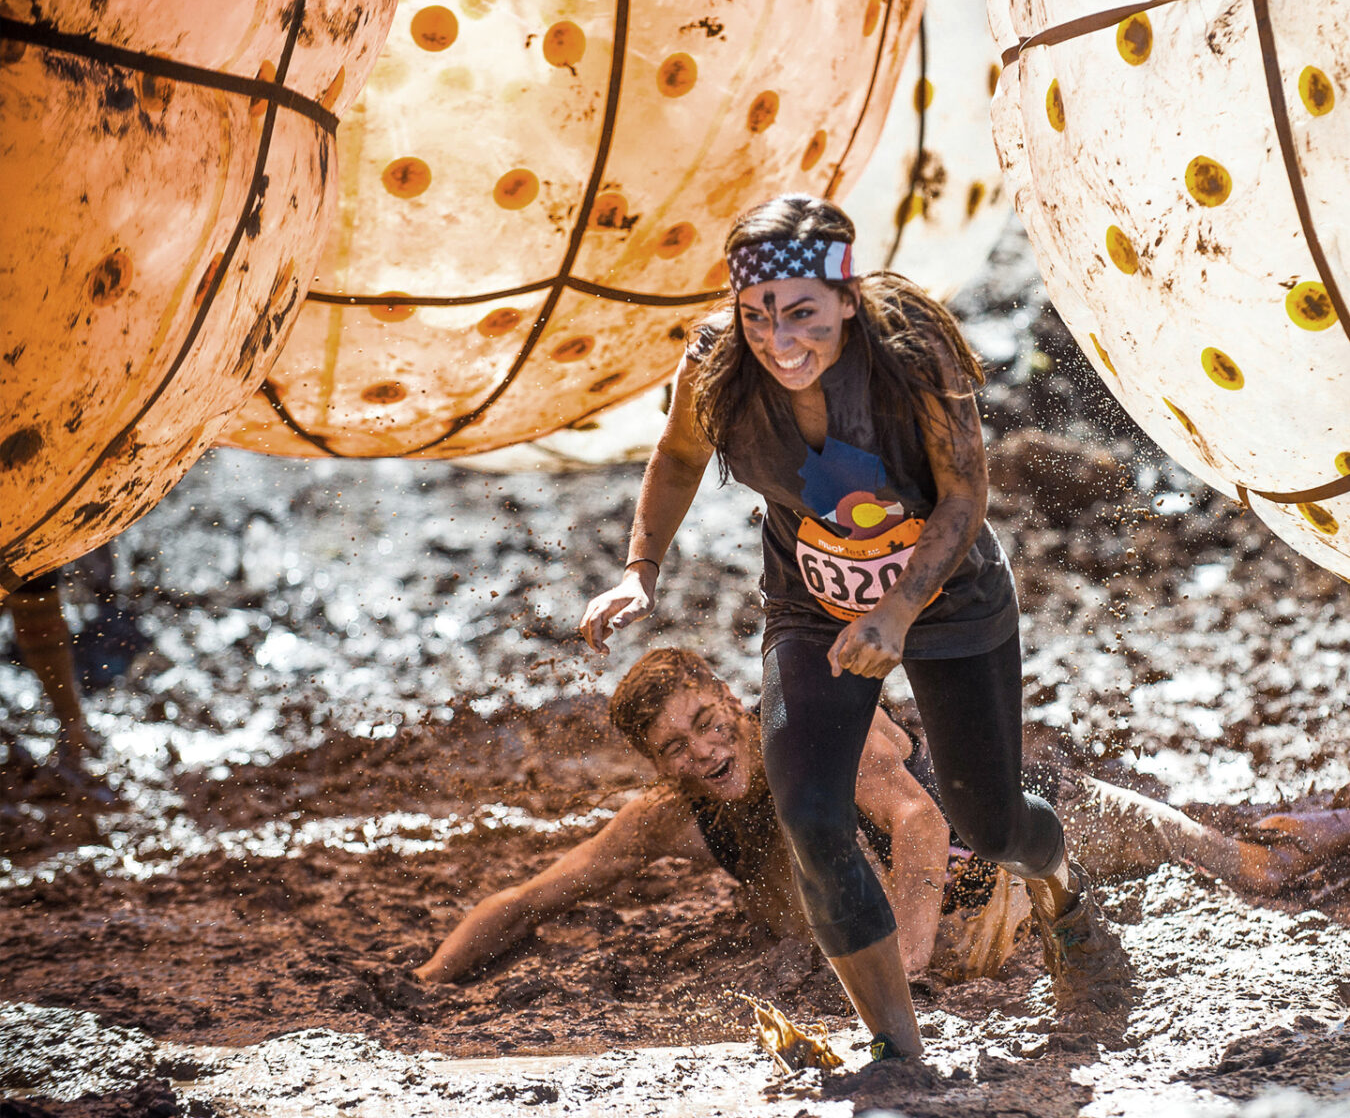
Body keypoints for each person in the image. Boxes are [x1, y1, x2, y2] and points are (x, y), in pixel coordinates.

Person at [579, 193, 1124, 1060]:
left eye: (802, 314)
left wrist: (898, 610)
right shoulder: (718, 367)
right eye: (758, 316)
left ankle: (1062, 890)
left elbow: (964, 494)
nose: (780, 339)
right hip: (810, 601)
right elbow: (679, 455)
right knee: (811, 813)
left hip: (945, 597)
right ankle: (896, 1051)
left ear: (845, 300)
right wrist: (639, 572)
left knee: (990, 825)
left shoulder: (911, 355)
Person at [414, 649, 1350, 989]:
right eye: (675, 749)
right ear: (660, 767)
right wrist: (428, 979)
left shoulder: (820, 736)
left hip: (1045, 819)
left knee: (1253, 868)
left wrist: (906, 964)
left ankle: (1333, 818)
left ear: (736, 705)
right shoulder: (675, 817)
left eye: (707, 723)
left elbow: (922, 830)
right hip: (965, 887)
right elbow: (537, 896)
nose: (702, 752)